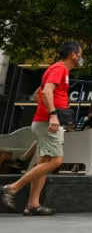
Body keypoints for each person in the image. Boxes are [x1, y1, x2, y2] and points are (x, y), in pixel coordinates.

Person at [1, 42, 83, 216]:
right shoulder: (59, 69)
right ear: (73, 55)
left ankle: (33, 204)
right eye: (80, 54)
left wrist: (46, 110)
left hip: (46, 121)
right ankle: (11, 188)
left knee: (43, 163)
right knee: (55, 161)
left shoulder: (58, 70)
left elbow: (38, 93)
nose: (81, 58)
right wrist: (52, 114)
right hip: (49, 123)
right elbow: (46, 92)